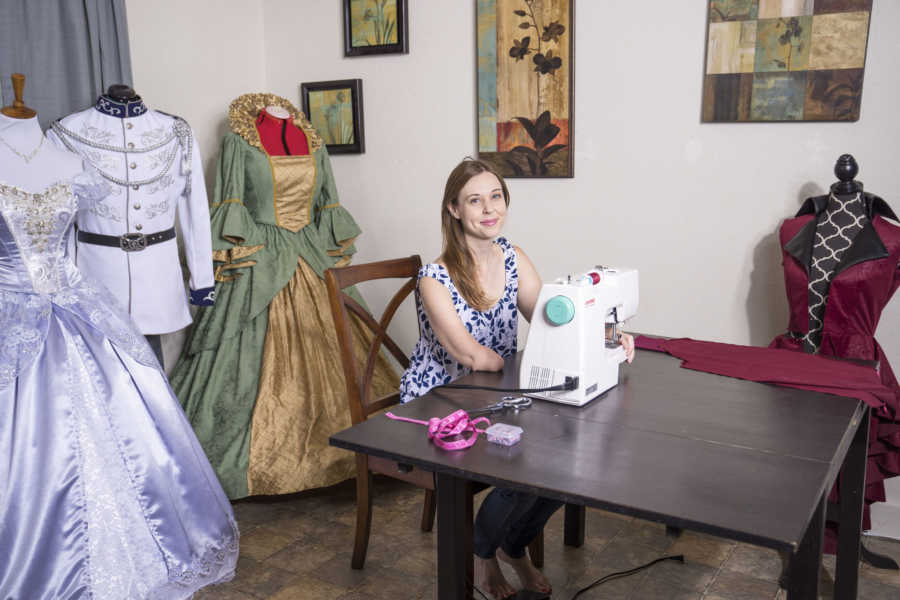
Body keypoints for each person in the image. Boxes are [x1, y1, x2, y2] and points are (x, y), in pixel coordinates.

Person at [0, 110, 238, 598]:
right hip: (12, 309)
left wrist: (201, 278)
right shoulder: (65, 143)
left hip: (77, 305)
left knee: (129, 424)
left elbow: (68, 243)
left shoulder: (69, 161)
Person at [399, 158, 635, 598]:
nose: (489, 209)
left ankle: (513, 544)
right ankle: (483, 554)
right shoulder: (434, 277)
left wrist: (609, 334)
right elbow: (471, 356)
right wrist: (540, 374)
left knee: (569, 453)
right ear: (453, 209)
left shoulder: (512, 256)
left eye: (496, 196)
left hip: (501, 392)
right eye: (474, 200)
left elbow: (550, 322)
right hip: (440, 402)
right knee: (526, 456)